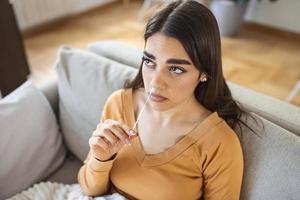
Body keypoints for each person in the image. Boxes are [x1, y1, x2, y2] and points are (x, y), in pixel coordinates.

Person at [78, 1, 257, 199]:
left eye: (176, 69)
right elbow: (89, 189)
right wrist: (101, 158)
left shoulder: (219, 144)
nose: (155, 83)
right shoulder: (119, 104)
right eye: (149, 61)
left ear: (204, 72)